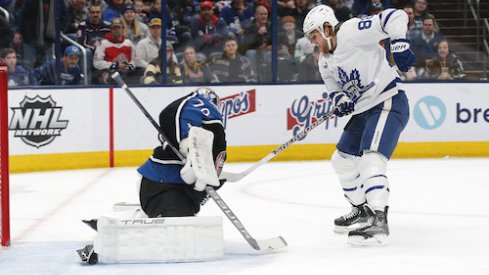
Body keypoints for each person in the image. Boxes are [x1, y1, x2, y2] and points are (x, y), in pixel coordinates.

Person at [302, 5, 414, 245]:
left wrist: (400, 44)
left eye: (315, 35)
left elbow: (395, 16)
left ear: (327, 27)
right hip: (364, 112)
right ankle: (361, 209)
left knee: (371, 159)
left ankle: (379, 220)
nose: (314, 42)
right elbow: (334, 87)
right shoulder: (324, 60)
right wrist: (340, 99)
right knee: (341, 160)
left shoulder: (352, 31)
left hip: (387, 102)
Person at [77, 87, 227, 263]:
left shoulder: (208, 129)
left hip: (168, 186)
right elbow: (171, 113)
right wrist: (185, 145)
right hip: (163, 186)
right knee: (172, 235)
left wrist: (213, 179)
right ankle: (104, 247)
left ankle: (131, 221)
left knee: (181, 230)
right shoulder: (203, 104)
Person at [137, 87, 227, 218]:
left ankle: (143, 216)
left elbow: (169, 114)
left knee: (185, 221)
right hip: (164, 188)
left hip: (159, 185)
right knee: (180, 229)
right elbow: (171, 113)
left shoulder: (189, 122)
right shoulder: (199, 107)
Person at [93, 17, 138, 85]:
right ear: (111, 29)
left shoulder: (128, 43)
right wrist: (115, 65)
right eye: (114, 28)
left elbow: (135, 60)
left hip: (127, 73)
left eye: (118, 27)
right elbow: (97, 62)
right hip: (110, 73)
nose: (116, 30)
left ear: (123, 29)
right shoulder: (103, 43)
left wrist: (129, 66)